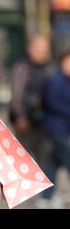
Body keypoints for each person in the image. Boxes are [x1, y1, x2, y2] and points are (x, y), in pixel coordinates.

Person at [9, 35, 57, 169]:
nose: (42, 53)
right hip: (26, 122)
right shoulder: (22, 67)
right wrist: (20, 117)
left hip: (45, 121)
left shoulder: (50, 67)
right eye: (38, 49)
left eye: (45, 50)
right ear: (30, 49)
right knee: (22, 160)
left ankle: (45, 189)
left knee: (45, 160)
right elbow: (17, 94)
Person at [35, 51, 70, 209]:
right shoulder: (55, 80)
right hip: (56, 127)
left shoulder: (65, 80)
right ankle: (48, 196)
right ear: (62, 62)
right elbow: (52, 102)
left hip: (63, 127)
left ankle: (46, 196)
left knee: (54, 162)